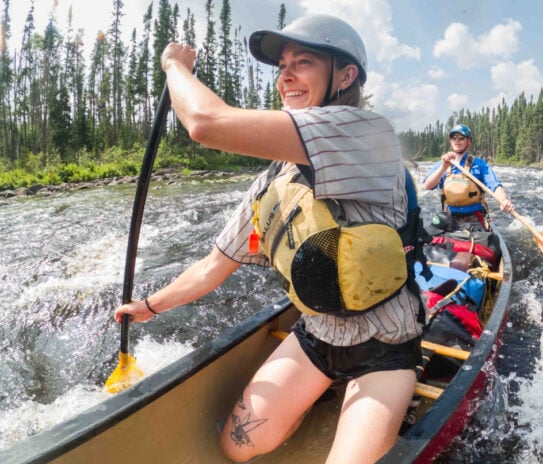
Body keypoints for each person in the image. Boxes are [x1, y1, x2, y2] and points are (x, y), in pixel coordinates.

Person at [114, 14, 422, 464]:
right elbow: (213, 266)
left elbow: (204, 122)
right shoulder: (275, 179)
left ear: (347, 75)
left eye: (305, 62)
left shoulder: (366, 132)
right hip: (318, 334)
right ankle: (309, 406)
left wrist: (174, 67)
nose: (287, 75)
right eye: (282, 66)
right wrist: (149, 306)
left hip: (386, 344)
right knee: (237, 448)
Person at [423, 124, 514, 231]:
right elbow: (427, 186)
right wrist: (443, 167)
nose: (457, 140)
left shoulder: (480, 164)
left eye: (461, 138)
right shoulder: (442, 164)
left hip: (475, 217)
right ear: (450, 141)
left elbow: (495, 186)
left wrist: (503, 200)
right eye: (454, 137)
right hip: (450, 217)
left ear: (469, 142)